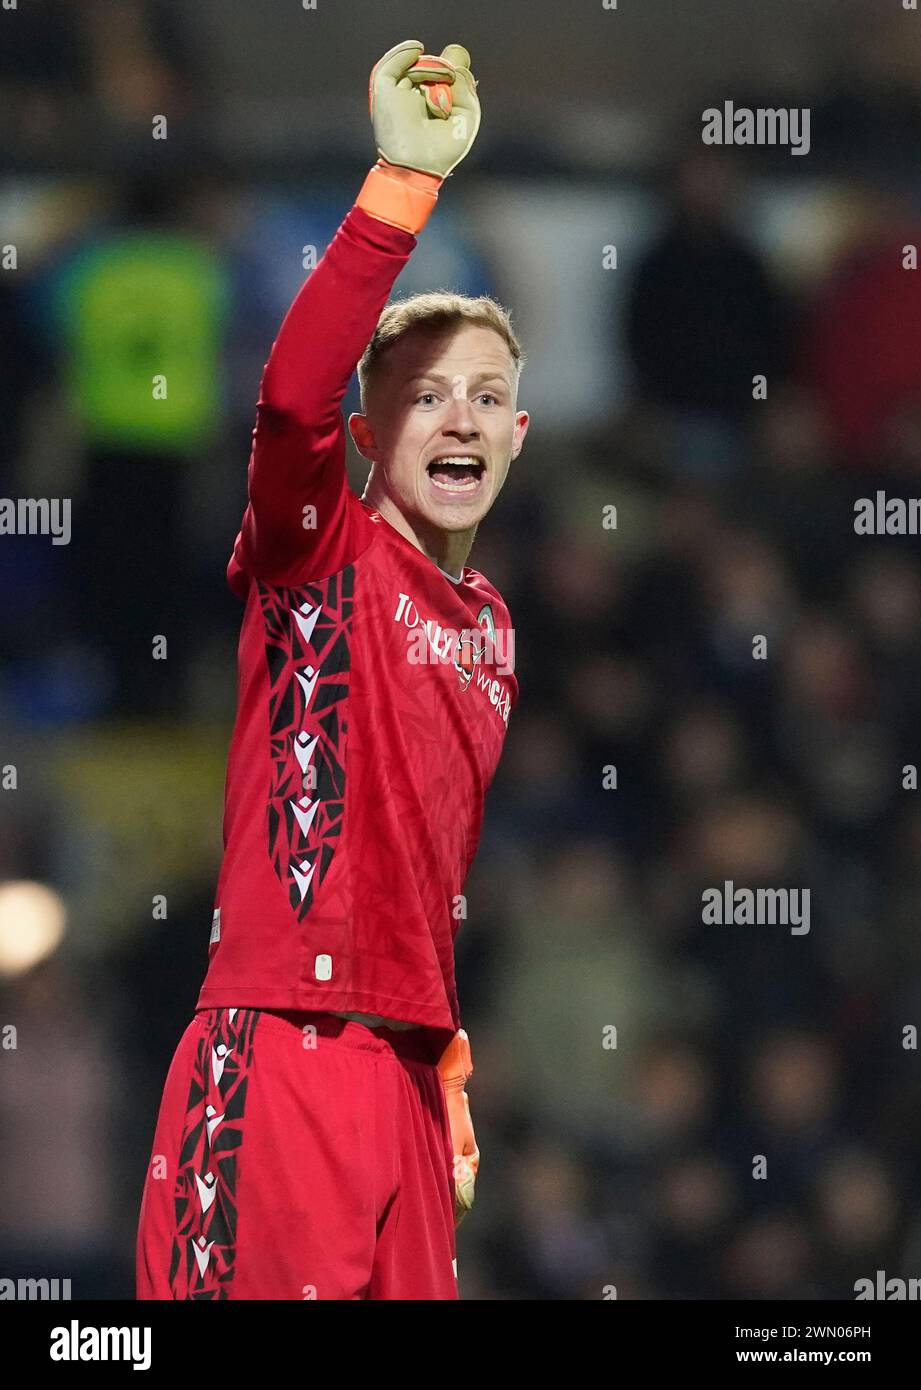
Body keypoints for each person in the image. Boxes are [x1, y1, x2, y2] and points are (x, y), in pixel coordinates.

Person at [136, 39, 529, 1301]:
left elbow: (412, 860)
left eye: (485, 397)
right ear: (367, 435)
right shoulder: (321, 552)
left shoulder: (496, 628)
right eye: (423, 397)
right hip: (281, 1055)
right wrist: (398, 195)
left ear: (519, 435)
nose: (458, 417)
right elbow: (291, 399)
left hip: (411, 1080)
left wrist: (439, 1052)